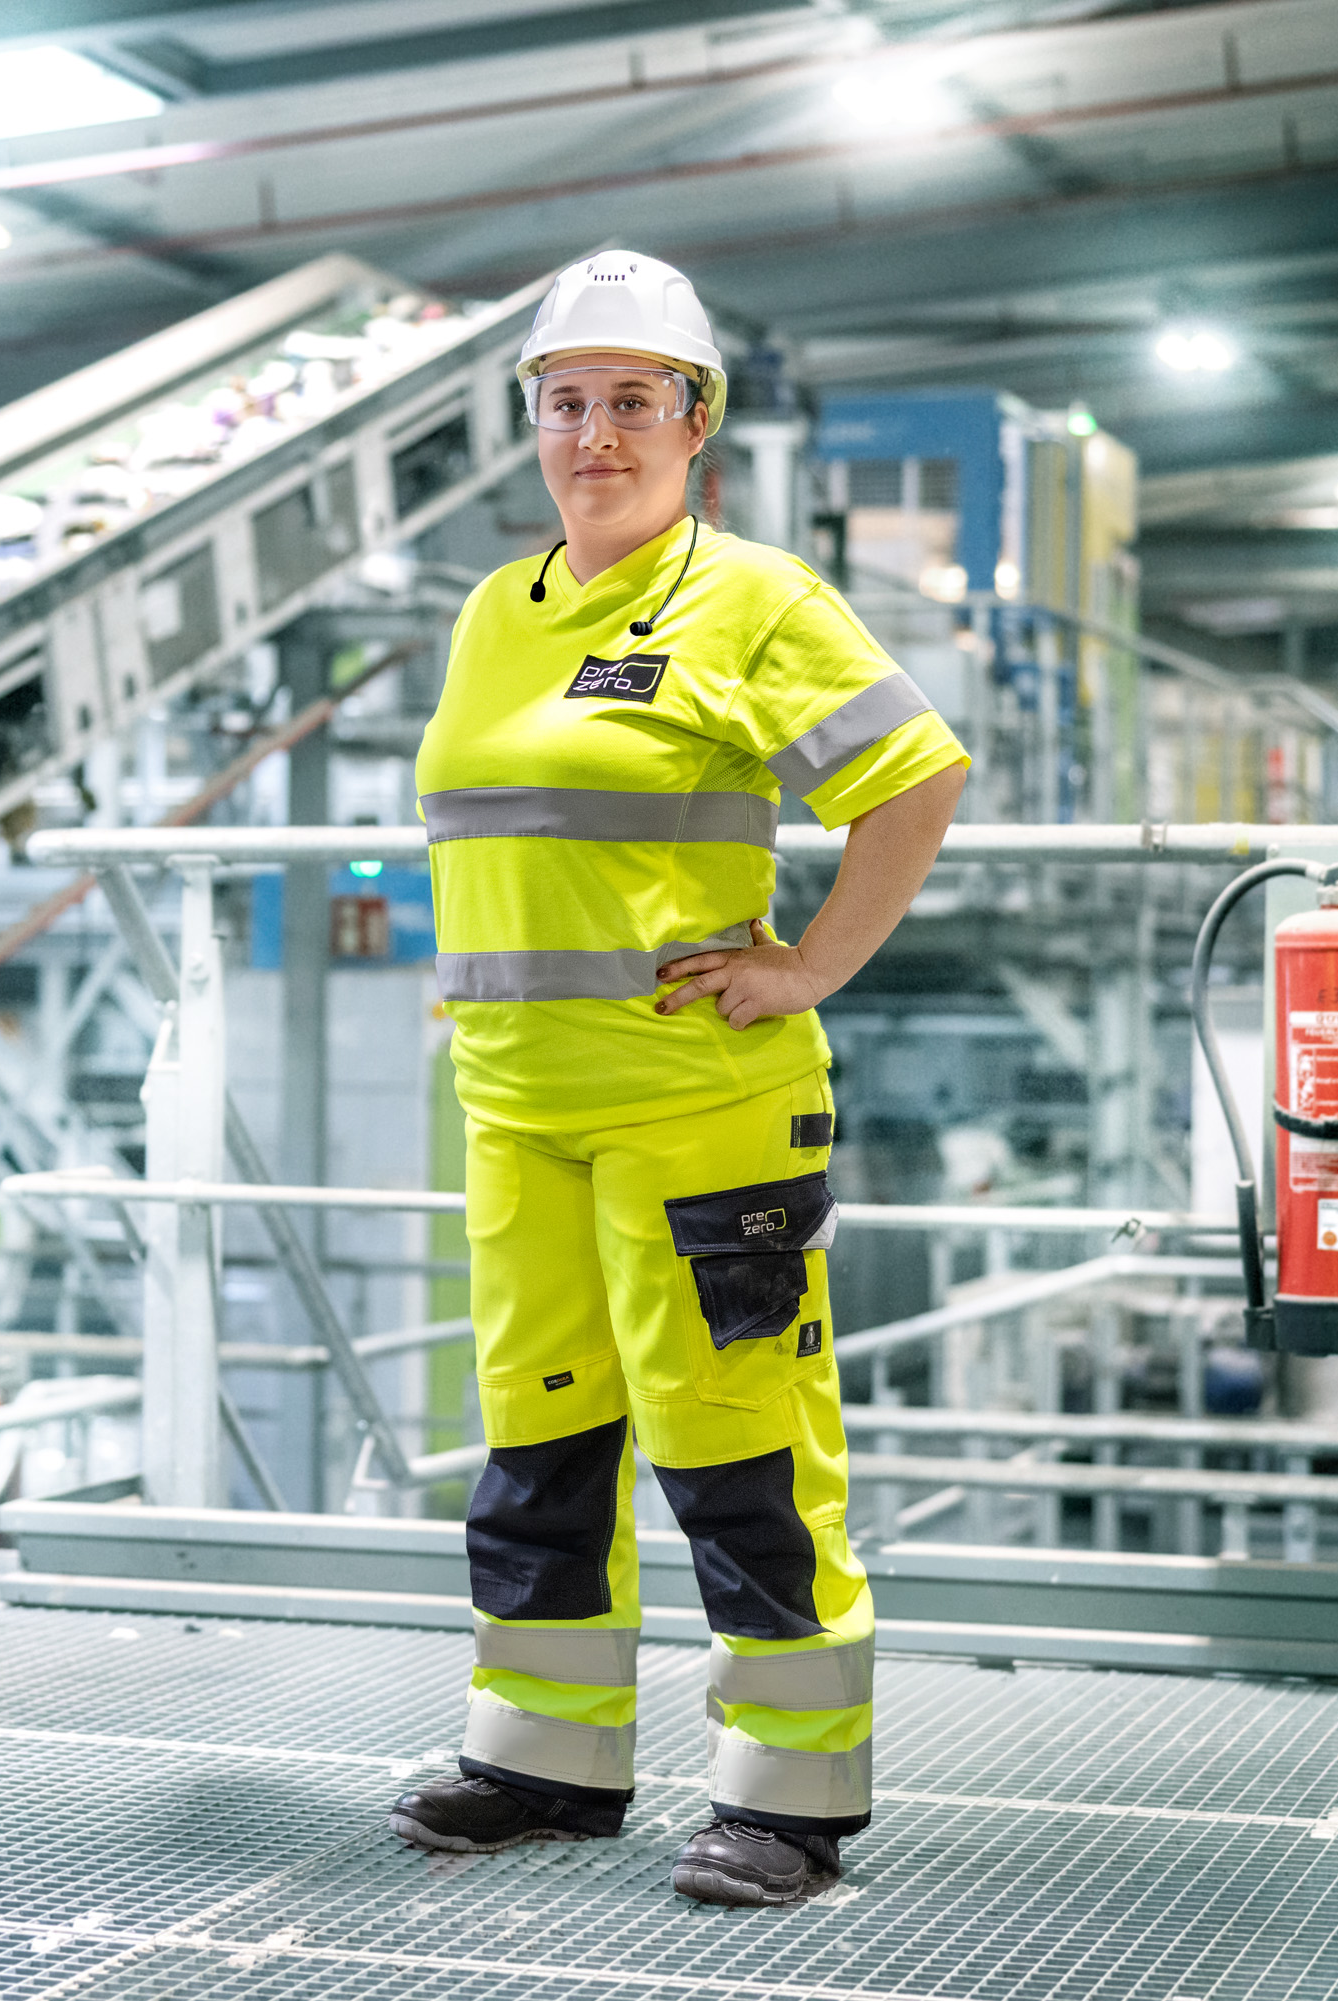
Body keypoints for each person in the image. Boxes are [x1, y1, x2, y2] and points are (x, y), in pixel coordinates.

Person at [385, 250, 970, 1907]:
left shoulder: (758, 599)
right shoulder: (496, 611)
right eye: (566, 401)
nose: (595, 433)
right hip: (518, 1106)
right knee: (538, 1443)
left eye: (634, 399)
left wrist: (812, 965)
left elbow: (911, 780)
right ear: (534, 422)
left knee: (740, 1450)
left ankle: (790, 1798)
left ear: (695, 421)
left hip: (697, 1104)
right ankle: (547, 1754)